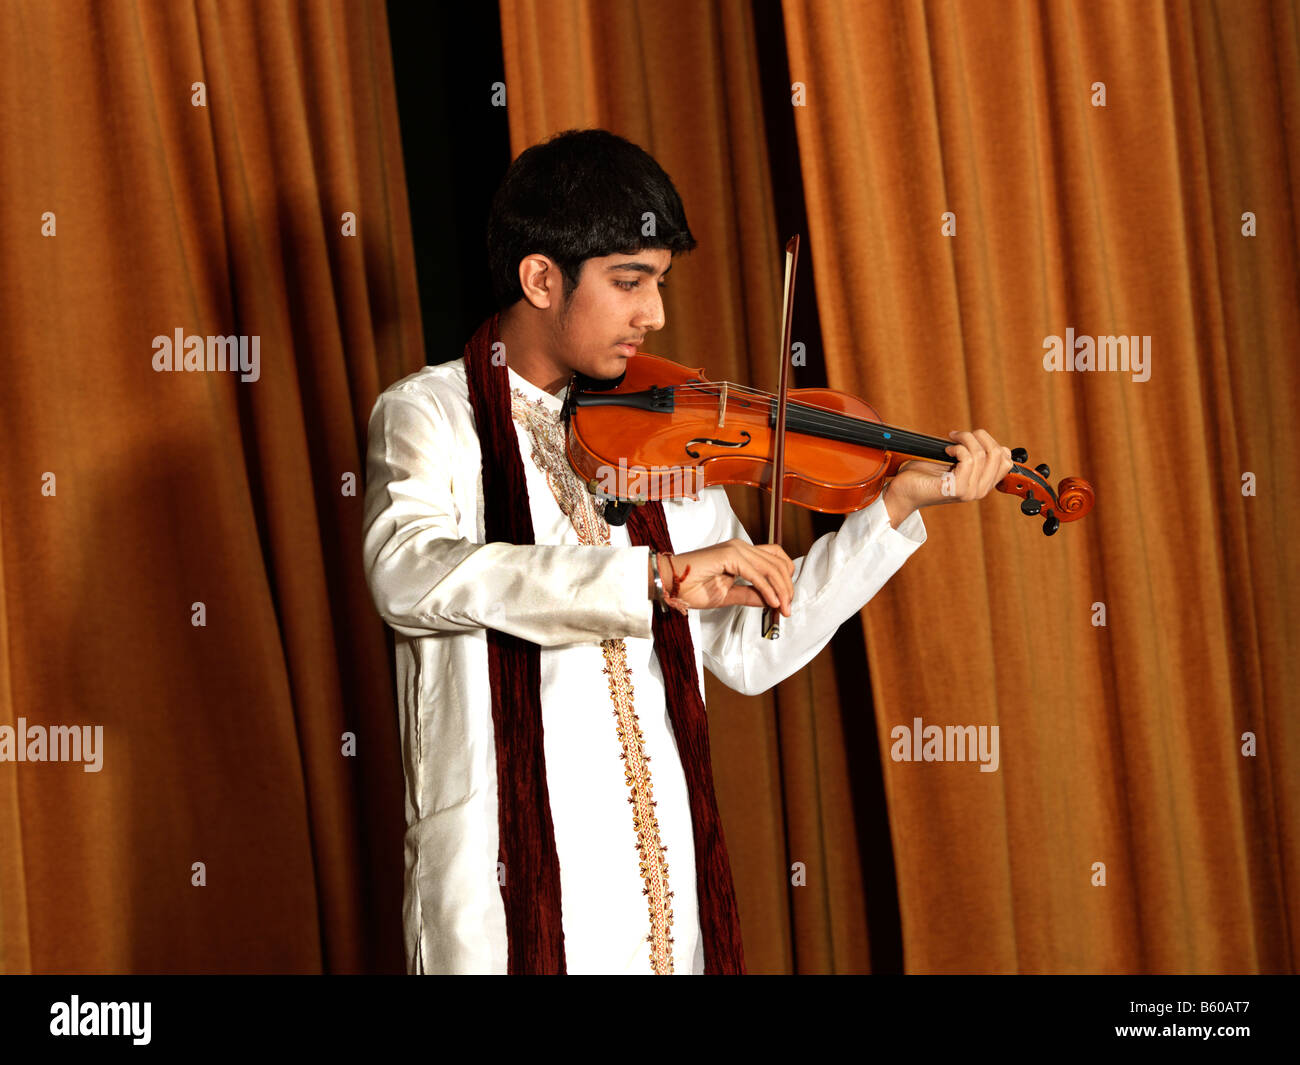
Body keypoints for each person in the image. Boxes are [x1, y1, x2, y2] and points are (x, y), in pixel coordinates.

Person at [362, 128, 1013, 975]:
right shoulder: (430, 415)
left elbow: (748, 648)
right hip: (503, 896)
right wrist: (653, 578)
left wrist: (892, 506)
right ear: (539, 277)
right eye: (629, 282)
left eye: (659, 283)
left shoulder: (665, 432)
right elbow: (408, 573)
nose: (655, 314)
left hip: (660, 893)